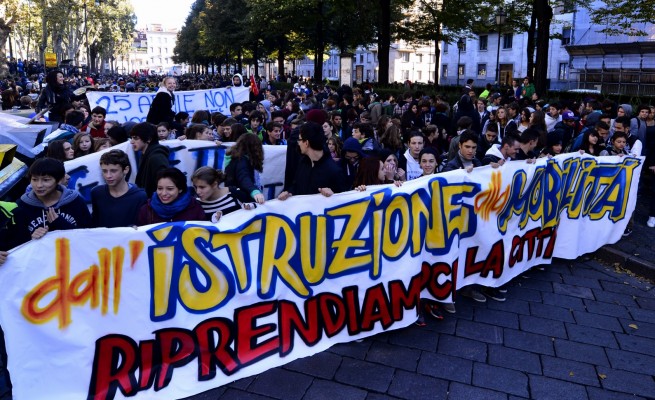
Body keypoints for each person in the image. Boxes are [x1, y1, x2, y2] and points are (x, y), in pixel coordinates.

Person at [1, 158, 91, 249]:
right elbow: (14, 244)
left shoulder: (75, 201)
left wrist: (61, 224)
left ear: (59, 180)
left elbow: (90, 235)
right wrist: (31, 237)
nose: (39, 185)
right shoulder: (21, 206)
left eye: (46, 180)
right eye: (35, 179)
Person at [278, 122, 346, 199]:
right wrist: (288, 192)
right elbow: (296, 185)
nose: (298, 143)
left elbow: (342, 201)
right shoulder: (303, 163)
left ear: (306, 143)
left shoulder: (334, 171)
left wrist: (333, 195)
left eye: (300, 140)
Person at [91, 150, 147, 228]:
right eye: (104, 171)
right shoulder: (97, 193)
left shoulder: (140, 196)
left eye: (113, 171)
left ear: (126, 170)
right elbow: (94, 224)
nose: (108, 176)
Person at [137, 168, 205, 225]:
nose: (163, 193)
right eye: (160, 188)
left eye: (170, 189)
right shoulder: (146, 210)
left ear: (180, 189)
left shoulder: (194, 208)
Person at [131, 122, 170, 197]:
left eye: (136, 138)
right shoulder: (146, 154)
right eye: (132, 138)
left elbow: (164, 182)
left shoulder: (156, 157)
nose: (132, 141)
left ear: (148, 139)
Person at [224, 133, 266, 205]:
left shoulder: (236, 158)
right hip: (241, 200)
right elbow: (243, 177)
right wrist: (254, 191)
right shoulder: (242, 161)